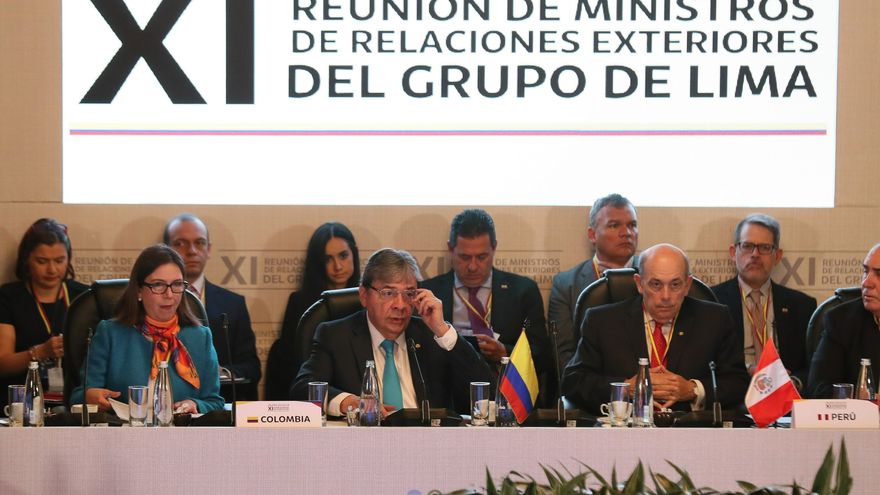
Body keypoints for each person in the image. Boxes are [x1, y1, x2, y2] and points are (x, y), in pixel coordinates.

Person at [291, 248, 491, 416]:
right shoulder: (335, 336)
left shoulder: (432, 335)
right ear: (364, 296)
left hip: (428, 443)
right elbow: (303, 389)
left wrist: (443, 331)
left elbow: (485, 389)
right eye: (388, 293)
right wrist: (349, 402)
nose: (400, 305)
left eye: (409, 293)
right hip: (363, 444)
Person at [561, 244, 749, 414]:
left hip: (690, 428)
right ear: (639, 283)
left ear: (687, 285)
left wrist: (693, 390)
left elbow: (738, 382)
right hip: (625, 430)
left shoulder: (714, 320)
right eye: (656, 284)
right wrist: (625, 388)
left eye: (675, 284)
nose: (666, 296)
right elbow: (573, 381)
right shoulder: (602, 321)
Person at [70, 244, 223, 413]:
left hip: (181, 428)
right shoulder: (110, 334)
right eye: (158, 285)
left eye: (177, 284)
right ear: (139, 291)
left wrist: (195, 405)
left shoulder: (200, 337)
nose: (169, 295)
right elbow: (78, 396)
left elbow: (214, 401)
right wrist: (90, 396)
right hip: (122, 428)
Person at [419, 209, 550, 402]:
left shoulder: (522, 291)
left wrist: (504, 352)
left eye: (481, 257)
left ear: (494, 248)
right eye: (464, 257)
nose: (472, 266)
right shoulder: (430, 292)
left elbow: (542, 354)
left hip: (505, 395)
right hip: (447, 395)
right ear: (450, 249)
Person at [712, 214, 816, 390]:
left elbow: (814, 367)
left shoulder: (802, 306)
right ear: (733, 252)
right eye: (747, 246)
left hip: (783, 396)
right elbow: (706, 363)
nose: (755, 254)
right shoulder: (712, 301)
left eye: (764, 248)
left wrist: (794, 383)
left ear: (777, 256)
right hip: (732, 396)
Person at [164, 214, 261, 401]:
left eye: (199, 243)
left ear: (208, 249)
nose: (192, 251)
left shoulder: (233, 305)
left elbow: (251, 368)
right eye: (181, 243)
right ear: (166, 249)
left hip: (218, 404)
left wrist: (220, 373)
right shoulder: (153, 300)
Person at [265, 222, 361, 399]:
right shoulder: (299, 303)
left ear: (353, 254)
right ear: (317, 263)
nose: (338, 266)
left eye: (343, 256)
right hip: (312, 398)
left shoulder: (369, 300)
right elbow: (292, 365)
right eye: (328, 259)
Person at [0, 219, 88, 410]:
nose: (52, 270)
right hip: (20, 402)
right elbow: (3, 362)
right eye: (42, 261)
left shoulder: (84, 296)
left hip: (73, 403)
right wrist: (39, 352)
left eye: (59, 261)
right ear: (27, 259)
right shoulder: (8, 297)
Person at [549, 193, 639, 367]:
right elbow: (564, 356)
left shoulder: (654, 278)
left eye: (632, 225)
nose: (627, 233)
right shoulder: (566, 285)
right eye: (614, 225)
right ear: (592, 235)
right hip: (589, 380)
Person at [808, 243, 880, 398]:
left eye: (879, 274)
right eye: (865, 271)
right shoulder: (841, 321)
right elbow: (819, 389)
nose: (866, 282)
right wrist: (861, 401)